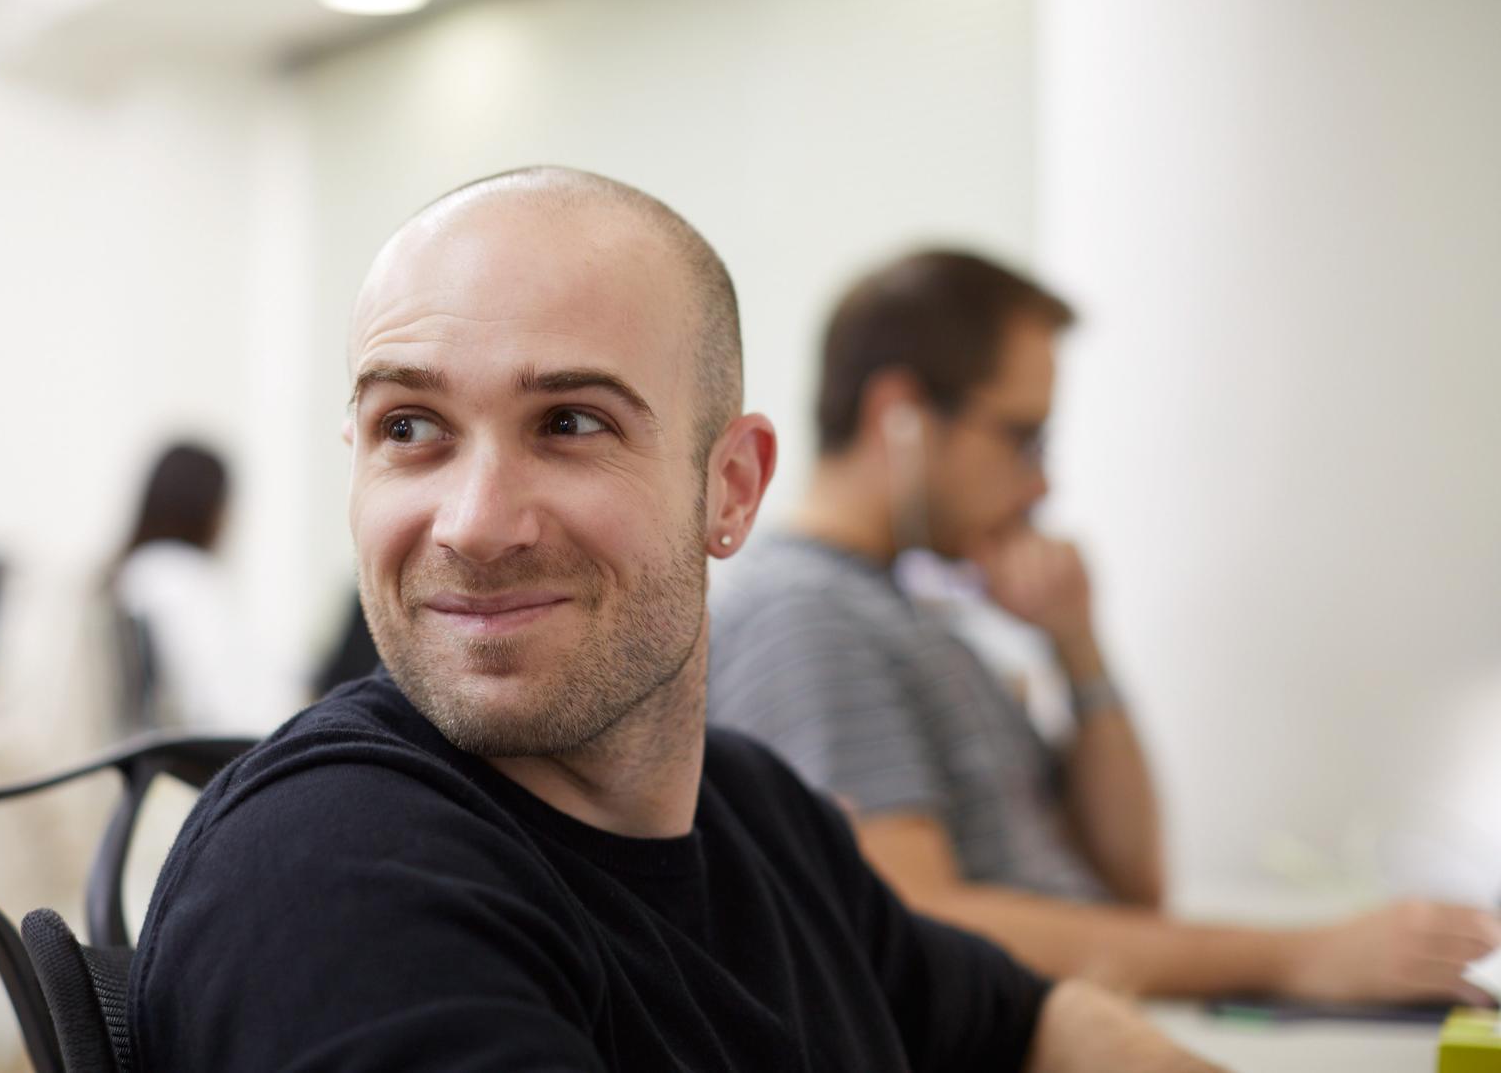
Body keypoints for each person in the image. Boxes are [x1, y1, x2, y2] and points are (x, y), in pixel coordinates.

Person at [132, 169, 1218, 1070]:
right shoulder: (335, 874)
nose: (473, 524)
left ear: (731, 488)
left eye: (569, 422)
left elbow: (1035, 1021)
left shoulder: (761, 814)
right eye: (409, 426)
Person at [707, 248, 1501, 1004]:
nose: (1040, 484)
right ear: (900, 416)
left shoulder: (915, 618)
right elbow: (919, 920)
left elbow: (1131, 884)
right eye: (1022, 436)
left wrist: (1077, 645)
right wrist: (1298, 958)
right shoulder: (806, 617)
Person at [114, 441, 287, 735]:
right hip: (221, 748)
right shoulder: (185, 581)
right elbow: (227, 705)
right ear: (209, 507)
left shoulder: (132, 575)